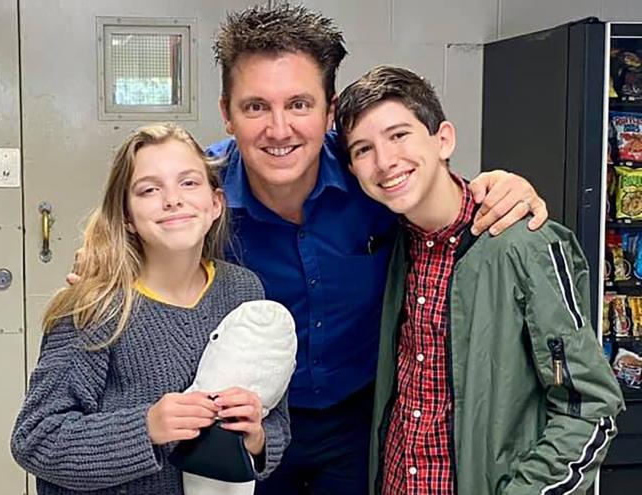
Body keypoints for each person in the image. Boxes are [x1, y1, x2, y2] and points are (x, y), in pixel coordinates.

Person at [206, 4, 547, 494]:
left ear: (329, 108)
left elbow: (443, 198)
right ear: (226, 112)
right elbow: (128, 235)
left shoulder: (373, 174)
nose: (279, 129)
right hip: (251, 422)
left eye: (299, 104)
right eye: (256, 106)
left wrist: (505, 187)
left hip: (362, 422)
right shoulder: (199, 195)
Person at [335, 65, 625, 495]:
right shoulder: (393, 242)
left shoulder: (524, 244)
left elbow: (590, 406)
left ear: (443, 139)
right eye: (363, 149)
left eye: (399, 135)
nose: (384, 161)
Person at [10, 123, 291, 494]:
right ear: (126, 216)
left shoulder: (243, 291)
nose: (172, 199)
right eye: (149, 189)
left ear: (216, 204)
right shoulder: (94, 306)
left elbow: (276, 422)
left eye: (189, 183)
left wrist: (255, 437)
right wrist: (147, 428)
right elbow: (35, 439)